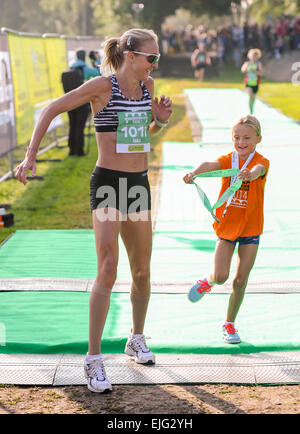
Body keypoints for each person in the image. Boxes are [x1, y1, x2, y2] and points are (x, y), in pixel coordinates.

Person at [15, 28, 173, 393]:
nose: (155, 63)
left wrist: (160, 120)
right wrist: (30, 155)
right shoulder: (103, 86)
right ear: (131, 55)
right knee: (107, 266)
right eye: (152, 57)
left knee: (143, 270)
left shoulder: (147, 88)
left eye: (157, 59)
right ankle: (93, 359)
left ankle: (136, 338)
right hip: (107, 183)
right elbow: (51, 108)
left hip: (137, 184)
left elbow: (141, 136)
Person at [183, 115, 269, 345]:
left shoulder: (261, 161)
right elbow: (209, 165)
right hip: (228, 227)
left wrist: (251, 174)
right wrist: (194, 173)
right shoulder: (229, 160)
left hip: (251, 228)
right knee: (222, 277)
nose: (241, 142)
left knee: (240, 281)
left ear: (257, 139)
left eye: (247, 138)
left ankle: (229, 323)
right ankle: (208, 280)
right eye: (237, 137)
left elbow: (259, 169)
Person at [67, 48, 100, 156]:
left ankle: (71, 150)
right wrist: (97, 60)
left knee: (72, 126)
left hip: (70, 102)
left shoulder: (71, 67)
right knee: (80, 127)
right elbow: (100, 74)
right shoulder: (85, 69)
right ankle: (79, 151)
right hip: (81, 102)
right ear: (84, 57)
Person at [241, 48, 264, 114]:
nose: (254, 57)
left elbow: (261, 73)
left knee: (253, 98)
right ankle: (250, 111)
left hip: (256, 83)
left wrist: (255, 71)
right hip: (248, 83)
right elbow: (242, 70)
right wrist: (247, 69)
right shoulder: (247, 63)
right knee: (250, 96)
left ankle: (252, 108)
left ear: (258, 56)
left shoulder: (258, 64)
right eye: (253, 55)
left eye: (256, 56)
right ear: (250, 56)